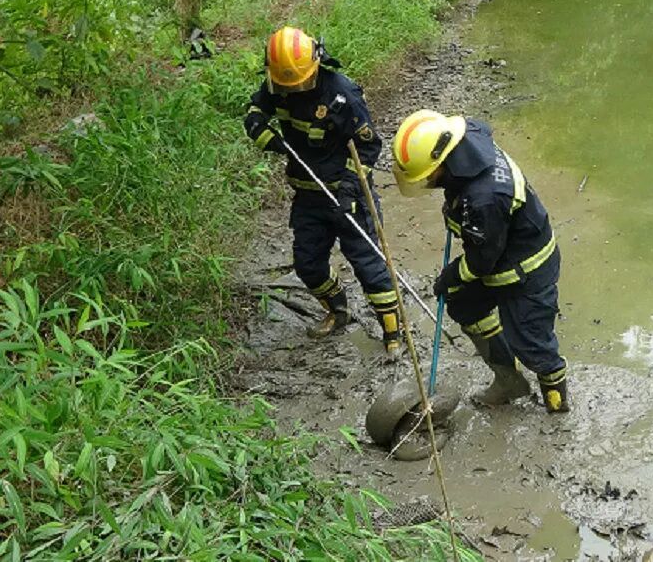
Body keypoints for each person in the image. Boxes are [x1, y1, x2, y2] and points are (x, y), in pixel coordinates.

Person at [391, 110, 570, 413]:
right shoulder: (468, 136)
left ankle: (557, 407)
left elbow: (482, 261)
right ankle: (508, 380)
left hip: (526, 271)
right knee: (463, 304)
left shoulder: (486, 197)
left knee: (533, 345)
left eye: (429, 174)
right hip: (500, 248)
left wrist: (452, 275)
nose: (429, 181)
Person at [244, 27, 401, 357]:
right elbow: (256, 110)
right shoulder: (278, 83)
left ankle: (393, 333)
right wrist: (259, 129)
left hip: (349, 196)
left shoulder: (342, 96)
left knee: (370, 267)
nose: (295, 90)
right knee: (308, 264)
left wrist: (348, 188)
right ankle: (337, 309)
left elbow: (369, 146)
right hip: (307, 194)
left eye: (301, 82)